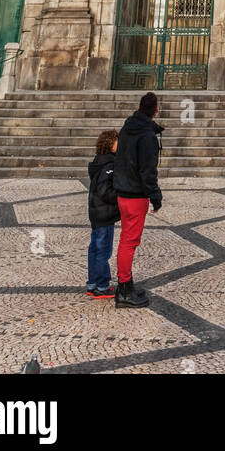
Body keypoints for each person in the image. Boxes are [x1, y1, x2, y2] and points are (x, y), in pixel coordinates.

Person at [113, 92, 163, 308]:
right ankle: (124, 289)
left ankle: (127, 284)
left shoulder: (127, 129)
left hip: (123, 192)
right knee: (129, 242)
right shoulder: (147, 136)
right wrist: (155, 195)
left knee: (127, 239)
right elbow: (148, 170)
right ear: (156, 110)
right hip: (135, 195)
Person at [86, 129, 120, 299]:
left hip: (96, 212)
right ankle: (101, 285)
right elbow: (105, 191)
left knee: (94, 248)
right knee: (103, 250)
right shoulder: (109, 165)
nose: (119, 144)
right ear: (110, 144)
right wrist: (120, 194)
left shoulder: (98, 161)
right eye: (117, 141)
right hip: (104, 213)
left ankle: (92, 283)